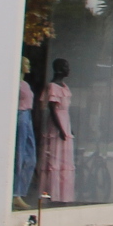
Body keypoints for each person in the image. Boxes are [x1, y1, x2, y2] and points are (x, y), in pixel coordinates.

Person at [40, 59, 76, 203]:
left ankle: (63, 194)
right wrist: (61, 128)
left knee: (64, 160)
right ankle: (52, 193)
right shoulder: (52, 87)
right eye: (66, 66)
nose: (68, 69)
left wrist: (68, 128)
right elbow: (53, 110)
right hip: (57, 126)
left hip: (64, 123)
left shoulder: (64, 87)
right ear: (59, 69)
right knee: (55, 158)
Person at [13, 61, 39, 205]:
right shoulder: (15, 84)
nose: (28, 66)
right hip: (20, 115)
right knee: (19, 155)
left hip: (27, 116)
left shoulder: (25, 84)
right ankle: (15, 194)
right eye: (26, 64)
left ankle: (20, 190)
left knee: (30, 157)